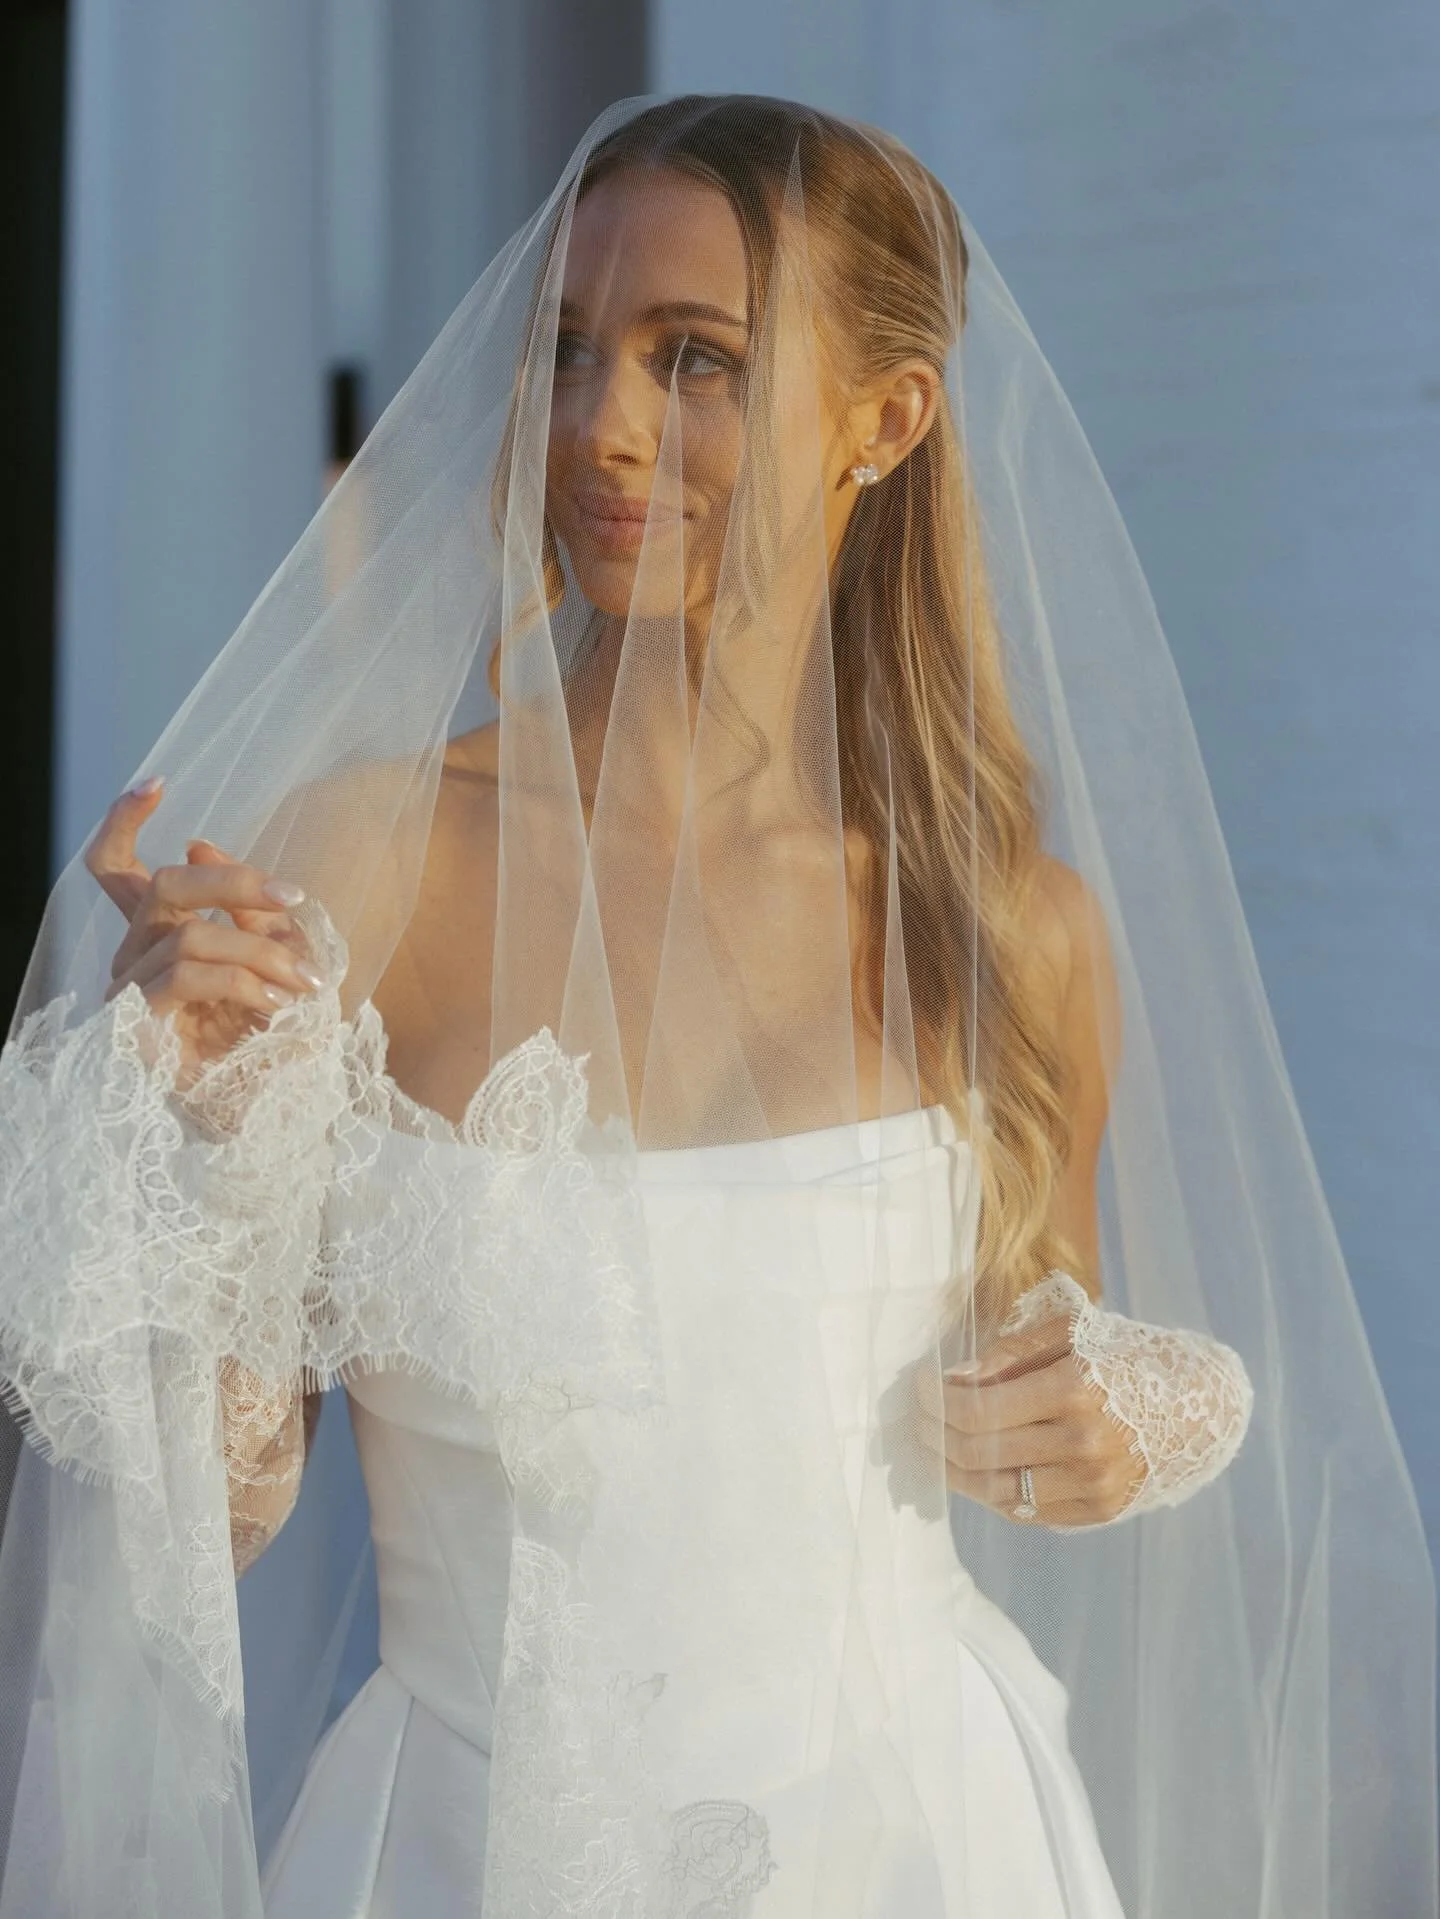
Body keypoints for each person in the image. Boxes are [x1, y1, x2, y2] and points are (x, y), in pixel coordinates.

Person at [0, 94, 1432, 1918]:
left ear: (885, 419)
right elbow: (220, 1510)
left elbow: (1045, 1358)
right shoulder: (367, 855)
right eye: (572, 350)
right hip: (467, 1853)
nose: (602, 426)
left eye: (699, 362)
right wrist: (177, 1143)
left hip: (921, 1842)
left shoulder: (1000, 928)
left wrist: (1138, 1411)